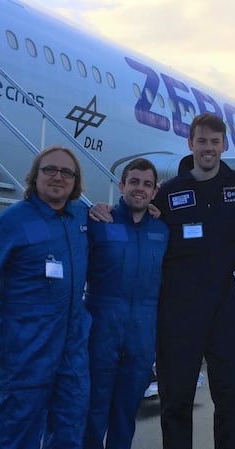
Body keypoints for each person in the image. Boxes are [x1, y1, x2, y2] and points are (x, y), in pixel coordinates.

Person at [89, 113, 235, 449]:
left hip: (223, 317)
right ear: (191, 144)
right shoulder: (169, 192)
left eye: (215, 142)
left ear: (224, 145)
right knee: (176, 402)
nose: (208, 148)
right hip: (178, 317)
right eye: (202, 141)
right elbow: (134, 210)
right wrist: (103, 209)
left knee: (230, 400)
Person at [0, 145, 91, 449]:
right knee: (17, 433)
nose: (58, 177)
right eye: (50, 170)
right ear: (35, 176)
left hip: (71, 353)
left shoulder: (81, 218)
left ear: (75, 182)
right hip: (26, 352)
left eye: (66, 172)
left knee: (69, 432)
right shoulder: (11, 222)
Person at [83, 158, 169, 449]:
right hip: (102, 329)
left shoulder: (162, 230)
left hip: (142, 333)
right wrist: (93, 207)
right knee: (93, 410)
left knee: (126, 412)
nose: (140, 189)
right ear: (121, 186)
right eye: (134, 182)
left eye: (147, 184)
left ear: (154, 191)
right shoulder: (98, 222)